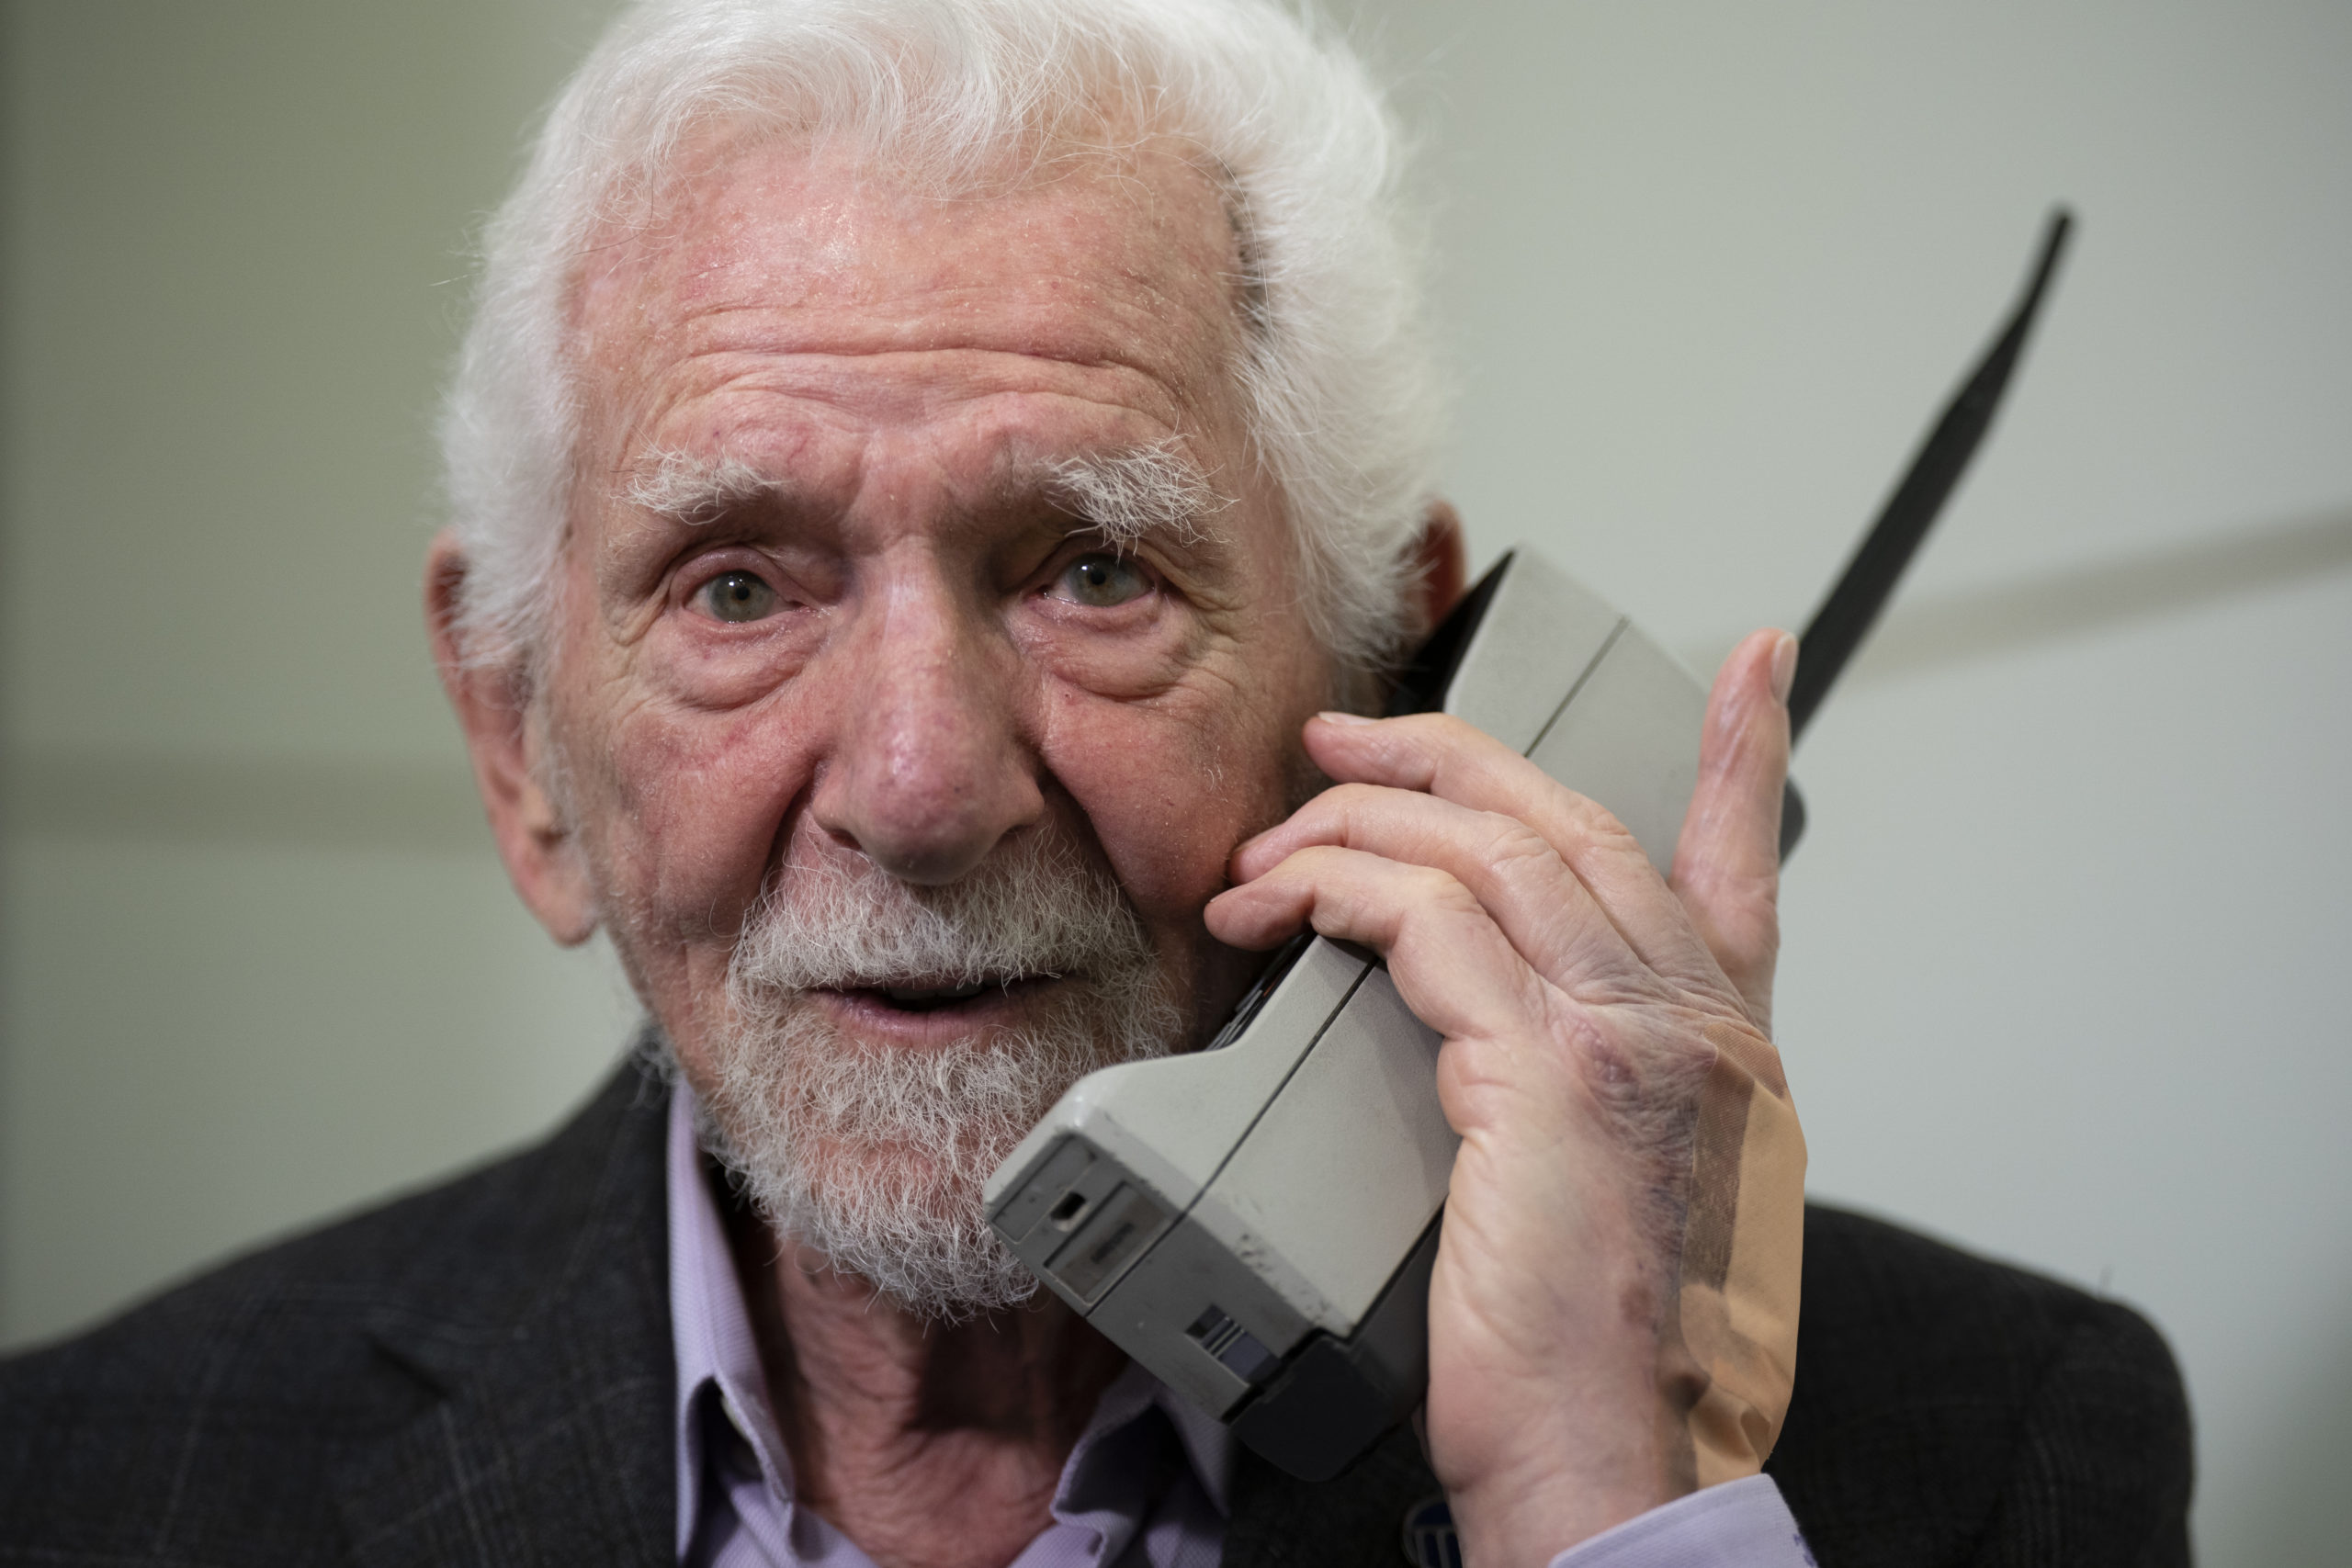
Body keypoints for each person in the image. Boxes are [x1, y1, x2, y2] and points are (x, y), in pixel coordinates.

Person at [0, 2, 2190, 1563]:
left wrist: (1592, 1510)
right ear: (520, 751)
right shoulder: (94, 1482)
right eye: (740, 581)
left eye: (1090, 565)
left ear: (1390, 669)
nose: (925, 783)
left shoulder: (1981, 1453)